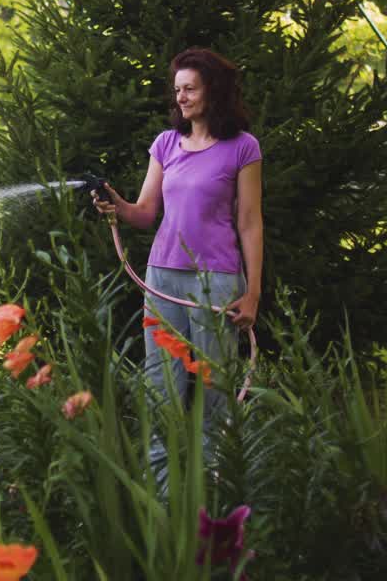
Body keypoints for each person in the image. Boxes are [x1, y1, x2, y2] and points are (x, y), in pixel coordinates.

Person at [92, 47, 263, 437]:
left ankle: (213, 489)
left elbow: (250, 222)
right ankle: (165, 488)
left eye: (190, 89)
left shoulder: (242, 147)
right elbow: (145, 213)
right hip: (161, 279)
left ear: (213, 92)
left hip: (216, 282)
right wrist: (116, 204)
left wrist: (252, 293)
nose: (180, 97)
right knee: (161, 389)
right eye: (177, 90)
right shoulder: (167, 144)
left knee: (214, 391)